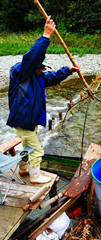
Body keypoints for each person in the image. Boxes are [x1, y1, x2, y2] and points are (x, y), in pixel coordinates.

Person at [6, 16, 80, 184]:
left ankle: (23, 170)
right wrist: (46, 35)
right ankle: (35, 176)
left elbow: (51, 77)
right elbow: (30, 58)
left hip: (28, 121)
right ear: (34, 65)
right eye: (40, 67)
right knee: (37, 151)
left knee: (27, 147)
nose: (42, 70)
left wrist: (67, 71)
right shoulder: (20, 72)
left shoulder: (37, 76)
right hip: (23, 121)